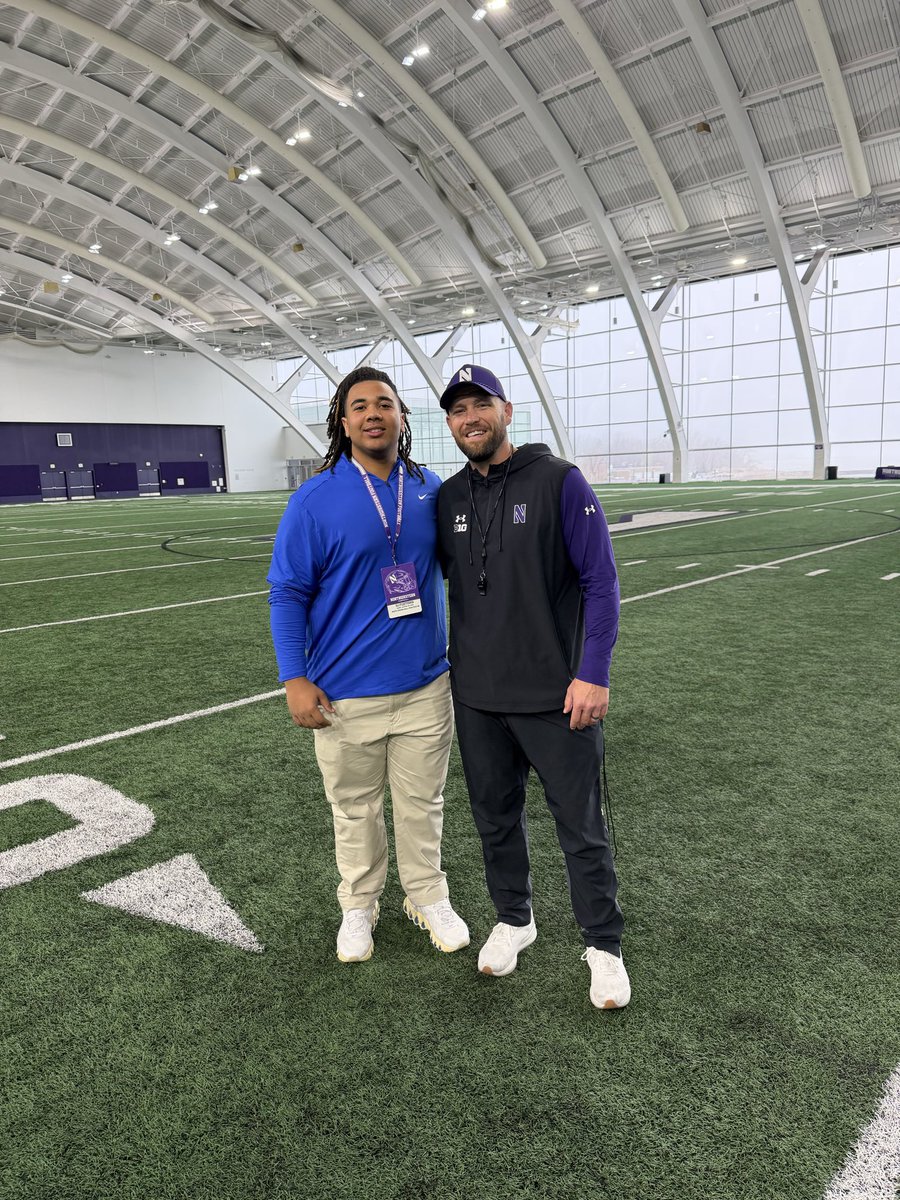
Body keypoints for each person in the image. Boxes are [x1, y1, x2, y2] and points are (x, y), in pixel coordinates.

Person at [437, 363, 629, 1009]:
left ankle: (603, 944)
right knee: (494, 821)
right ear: (450, 423)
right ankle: (514, 920)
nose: (471, 418)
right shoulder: (448, 498)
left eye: (480, 405)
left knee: (581, 827)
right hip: (477, 696)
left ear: (506, 410)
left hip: (557, 696)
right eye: (458, 410)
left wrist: (593, 674)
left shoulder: (559, 481)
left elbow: (602, 583)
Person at [268, 366, 469, 964]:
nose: (373, 413)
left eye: (385, 402)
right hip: (345, 692)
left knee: (422, 803)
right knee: (355, 809)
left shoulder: (430, 487)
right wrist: (294, 677)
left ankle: (427, 895)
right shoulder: (314, 499)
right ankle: (359, 905)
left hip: (426, 685)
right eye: (359, 406)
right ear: (343, 421)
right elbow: (287, 592)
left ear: (403, 417)